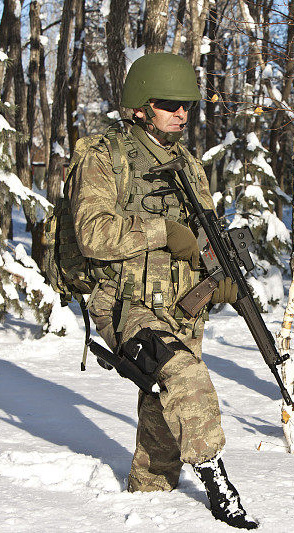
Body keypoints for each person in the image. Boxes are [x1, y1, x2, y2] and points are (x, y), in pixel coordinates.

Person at [70, 53, 258, 530]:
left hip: (179, 307)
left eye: (187, 105)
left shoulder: (188, 166)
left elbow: (204, 239)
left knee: (161, 420)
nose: (182, 113)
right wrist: (161, 230)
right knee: (184, 379)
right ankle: (221, 490)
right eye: (169, 103)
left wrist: (220, 283)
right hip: (125, 305)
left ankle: (151, 505)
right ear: (139, 106)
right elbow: (93, 233)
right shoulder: (102, 155)